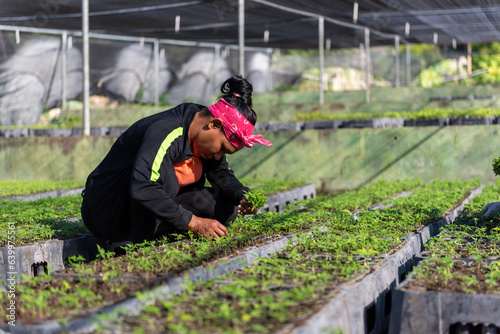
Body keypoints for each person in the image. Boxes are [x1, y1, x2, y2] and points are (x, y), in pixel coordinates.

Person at [81, 75, 272, 245]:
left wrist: (243, 195)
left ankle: (166, 235)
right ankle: (143, 243)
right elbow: (144, 186)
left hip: (148, 207)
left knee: (227, 209)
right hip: (109, 211)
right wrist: (194, 223)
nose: (217, 156)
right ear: (214, 124)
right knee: (166, 178)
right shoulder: (168, 130)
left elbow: (220, 172)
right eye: (221, 148)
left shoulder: (201, 128)